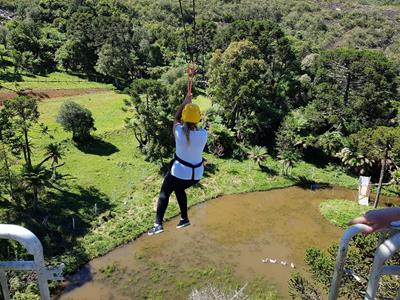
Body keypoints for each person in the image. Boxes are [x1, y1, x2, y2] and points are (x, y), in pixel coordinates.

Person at [148, 94, 207, 235]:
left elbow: (176, 118)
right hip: (196, 175)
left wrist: (184, 103)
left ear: (184, 118)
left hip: (180, 172)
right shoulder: (204, 134)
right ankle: (184, 218)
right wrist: (188, 107)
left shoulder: (179, 131)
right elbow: (186, 122)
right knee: (179, 189)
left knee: (165, 192)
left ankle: (158, 224)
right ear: (198, 118)